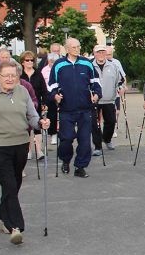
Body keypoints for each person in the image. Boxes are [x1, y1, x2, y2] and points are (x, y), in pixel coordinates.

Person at [0, 61, 50, 245]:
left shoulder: (22, 91)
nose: (10, 79)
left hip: (21, 143)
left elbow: (32, 115)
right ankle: (16, 226)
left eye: (13, 75)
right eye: (6, 75)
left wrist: (40, 124)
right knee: (9, 184)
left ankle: (2, 213)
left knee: (14, 183)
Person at [48, 37, 101, 178]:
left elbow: (95, 82)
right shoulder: (59, 65)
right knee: (66, 139)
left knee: (84, 140)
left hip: (85, 109)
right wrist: (55, 96)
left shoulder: (86, 64)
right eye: (74, 47)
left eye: (78, 46)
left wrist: (96, 94)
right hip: (66, 109)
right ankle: (65, 160)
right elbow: (52, 85)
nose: (77, 49)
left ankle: (80, 166)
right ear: (66, 49)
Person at [92, 45, 123, 156]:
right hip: (94, 100)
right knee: (95, 124)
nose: (101, 55)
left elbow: (119, 81)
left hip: (109, 99)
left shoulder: (113, 66)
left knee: (111, 121)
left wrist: (120, 88)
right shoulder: (90, 66)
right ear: (94, 53)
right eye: (98, 52)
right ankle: (97, 146)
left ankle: (107, 139)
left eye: (103, 52)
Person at [20, 50, 48, 160]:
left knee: (37, 127)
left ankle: (39, 151)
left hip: (36, 104)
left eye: (32, 60)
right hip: (22, 105)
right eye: (27, 60)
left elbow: (44, 91)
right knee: (26, 128)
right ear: (22, 62)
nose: (30, 62)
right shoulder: (20, 75)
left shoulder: (38, 74)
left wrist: (44, 103)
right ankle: (28, 151)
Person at [105, 46, 126, 139]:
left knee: (116, 111)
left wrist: (123, 87)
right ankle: (105, 128)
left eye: (110, 54)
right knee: (103, 113)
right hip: (104, 93)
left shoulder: (116, 62)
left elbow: (123, 76)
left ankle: (113, 129)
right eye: (107, 54)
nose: (108, 56)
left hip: (115, 92)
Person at [41, 52, 60, 145]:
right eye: (51, 62)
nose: (52, 64)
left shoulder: (59, 69)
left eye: (54, 62)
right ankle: (53, 133)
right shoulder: (44, 70)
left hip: (59, 92)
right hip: (48, 93)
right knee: (51, 113)